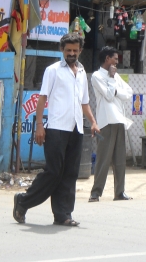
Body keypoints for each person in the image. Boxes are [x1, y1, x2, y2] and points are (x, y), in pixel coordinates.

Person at [13, 33, 100, 227]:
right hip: (56, 129)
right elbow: (42, 98)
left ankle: (63, 215)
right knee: (53, 172)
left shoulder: (82, 73)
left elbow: (85, 103)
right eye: (68, 50)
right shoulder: (52, 71)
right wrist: (39, 126)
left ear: (80, 51)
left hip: (76, 129)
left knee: (70, 173)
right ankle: (23, 201)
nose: (71, 53)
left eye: (74, 51)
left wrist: (93, 122)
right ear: (62, 50)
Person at [89, 46, 134, 203]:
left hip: (119, 120)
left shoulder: (115, 76)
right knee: (103, 158)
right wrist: (112, 81)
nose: (117, 61)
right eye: (115, 58)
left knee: (120, 159)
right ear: (107, 59)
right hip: (105, 121)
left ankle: (119, 192)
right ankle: (95, 193)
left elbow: (128, 93)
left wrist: (115, 89)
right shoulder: (97, 76)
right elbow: (108, 96)